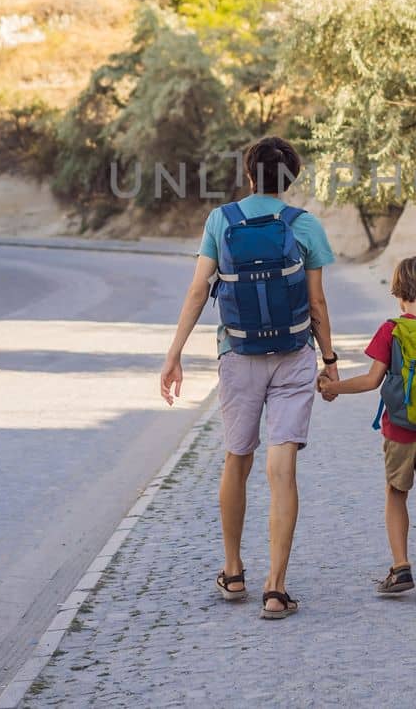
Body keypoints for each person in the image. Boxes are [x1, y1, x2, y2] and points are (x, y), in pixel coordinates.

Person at [158, 136, 339, 620]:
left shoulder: (221, 221)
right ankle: (276, 588)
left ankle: (233, 570)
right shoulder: (304, 226)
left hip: (237, 354)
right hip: (293, 355)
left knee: (237, 459)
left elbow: (199, 290)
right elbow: (317, 303)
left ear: (250, 174)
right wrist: (330, 359)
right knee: (282, 468)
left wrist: (174, 354)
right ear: (292, 179)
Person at [317, 255, 416, 606]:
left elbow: (371, 380)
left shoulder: (393, 329)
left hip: (399, 431)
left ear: (399, 291)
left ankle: (401, 567)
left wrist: (332, 387)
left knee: (396, 492)